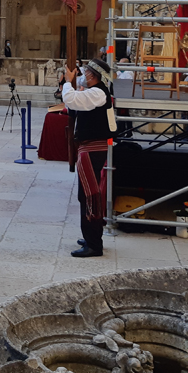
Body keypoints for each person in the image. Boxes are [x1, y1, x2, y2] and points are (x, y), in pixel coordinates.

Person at [62, 58, 116, 259]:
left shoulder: (98, 93)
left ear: (92, 76)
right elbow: (75, 106)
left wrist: (69, 81)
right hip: (90, 148)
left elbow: (71, 100)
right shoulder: (96, 93)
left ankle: (94, 244)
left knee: (89, 195)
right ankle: (91, 237)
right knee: (84, 195)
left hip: (92, 149)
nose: (83, 76)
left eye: (85, 73)